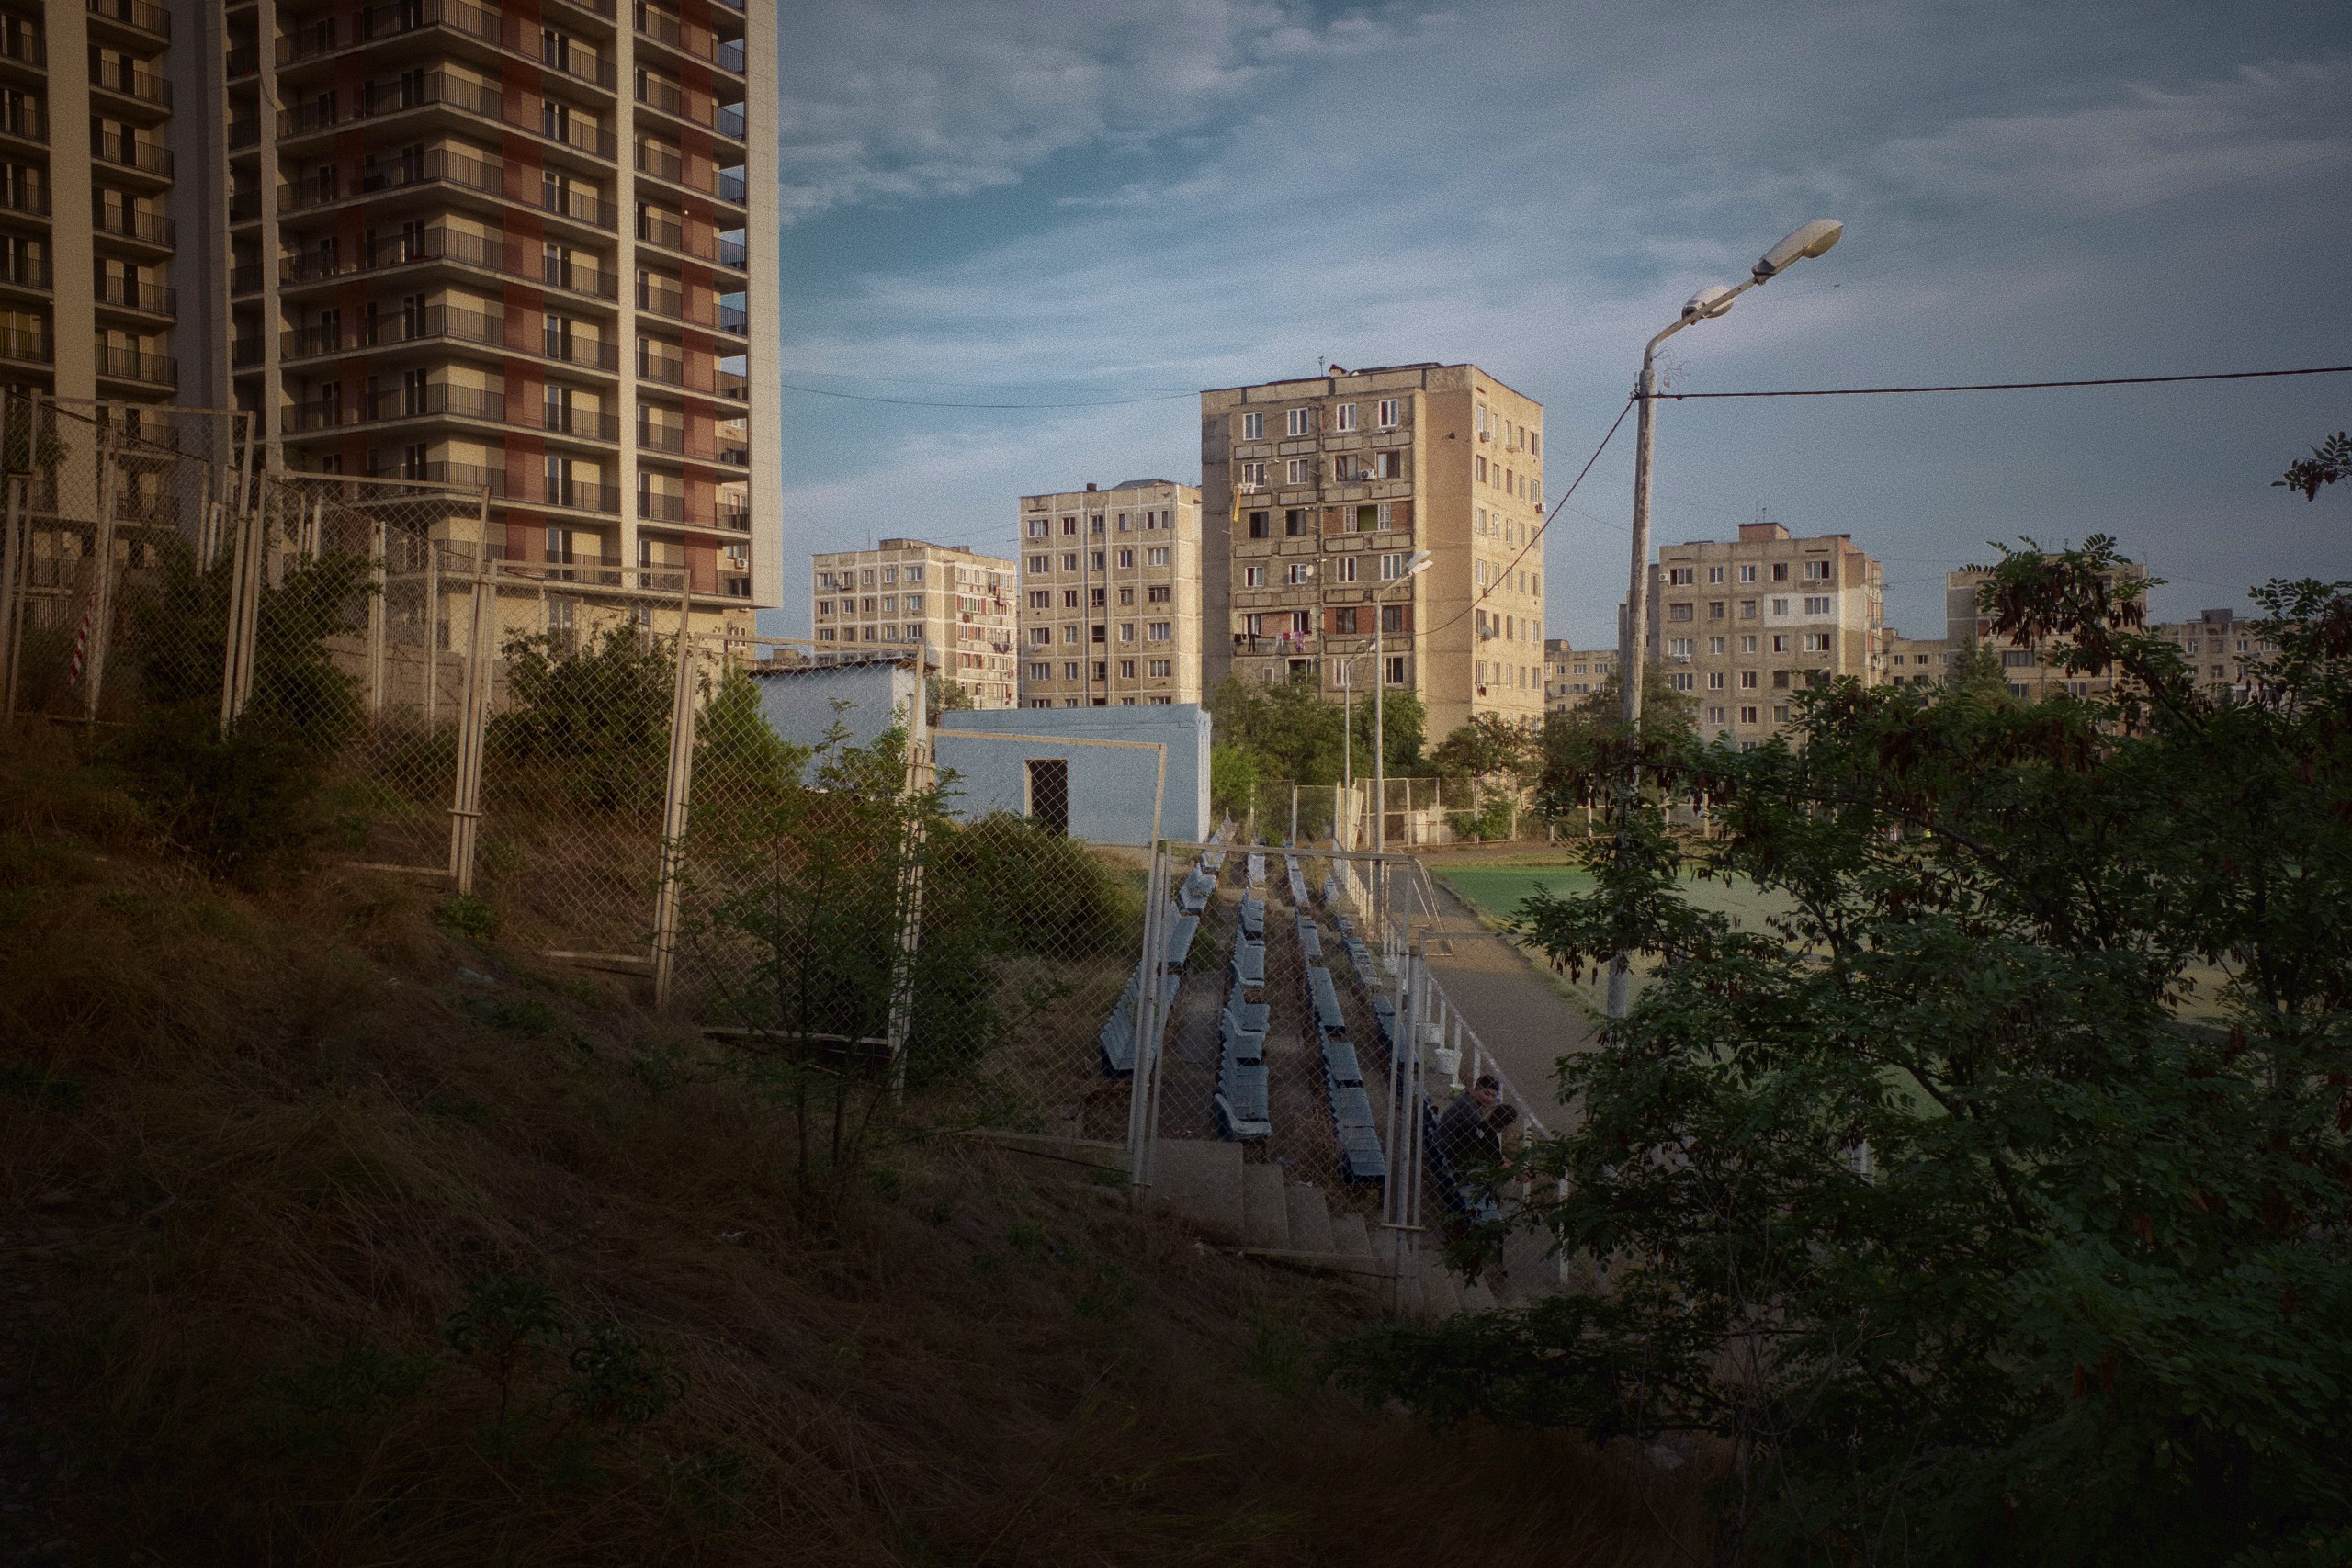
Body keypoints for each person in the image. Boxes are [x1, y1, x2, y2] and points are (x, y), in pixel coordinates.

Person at [1432, 1075, 1498, 1171]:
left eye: (1493, 1096)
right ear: (1477, 1089)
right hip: (1446, 1148)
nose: (1489, 1099)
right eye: (1486, 1094)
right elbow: (1482, 1139)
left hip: (1443, 1142)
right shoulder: (1470, 1108)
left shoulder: (1467, 1098)